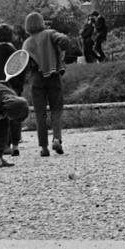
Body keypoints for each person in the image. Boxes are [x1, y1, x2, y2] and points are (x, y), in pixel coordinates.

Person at [21, 10, 77, 157]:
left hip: (36, 80)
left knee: (40, 113)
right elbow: (64, 40)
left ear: (27, 26)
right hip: (53, 76)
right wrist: (60, 49)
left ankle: (44, 147)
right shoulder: (50, 33)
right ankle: (57, 138)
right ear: (41, 22)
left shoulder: (26, 43)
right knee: (56, 110)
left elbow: (24, 65)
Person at [0, 24, 25, 154]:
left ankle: (5, 145)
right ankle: (15, 146)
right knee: (16, 116)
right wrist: (19, 87)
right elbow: (22, 72)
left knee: (3, 117)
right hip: (15, 89)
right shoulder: (16, 52)